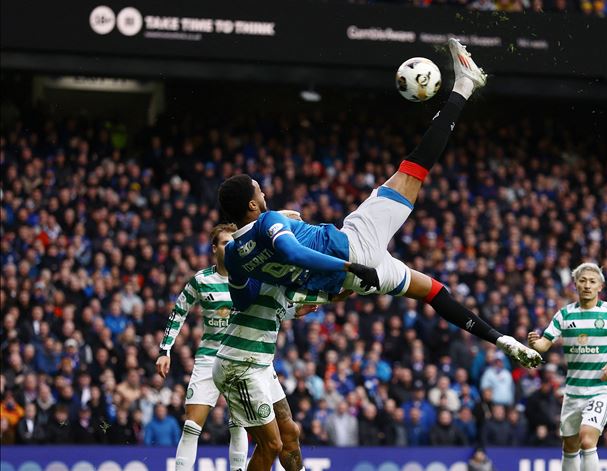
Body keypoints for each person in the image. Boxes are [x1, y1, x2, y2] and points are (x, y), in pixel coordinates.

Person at [217, 38, 540, 368]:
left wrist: (293, 292)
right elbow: (290, 253)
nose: (265, 195)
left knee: (433, 292)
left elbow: (245, 297)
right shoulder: (270, 224)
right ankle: (465, 84)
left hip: (353, 281)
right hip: (353, 251)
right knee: (414, 168)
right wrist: (345, 264)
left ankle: (502, 339)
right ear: (252, 207)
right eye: (259, 193)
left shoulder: (233, 256)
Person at [155, 223, 249, 471]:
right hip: (209, 359)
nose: (231, 248)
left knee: (239, 424)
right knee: (191, 426)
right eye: (225, 243)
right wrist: (165, 351)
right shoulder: (201, 280)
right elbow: (178, 312)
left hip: (239, 359)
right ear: (214, 248)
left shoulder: (249, 278)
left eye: (234, 243)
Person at [528, 263, 607, 471]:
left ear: (600, 287)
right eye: (583, 280)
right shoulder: (564, 315)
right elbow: (544, 344)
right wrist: (535, 343)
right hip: (573, 391)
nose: (587, 285)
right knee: (570, 445)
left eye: (592, 281)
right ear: (575, 284)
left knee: (587, 439)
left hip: (600, 390)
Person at [212, 275, 315, 471]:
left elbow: (269, 308)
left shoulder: (282, 273)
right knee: (271, 445)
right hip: (240, 366)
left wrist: (295, 311)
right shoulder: (256, 271)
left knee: (290, 432)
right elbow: (248, 301)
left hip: (262, 365)